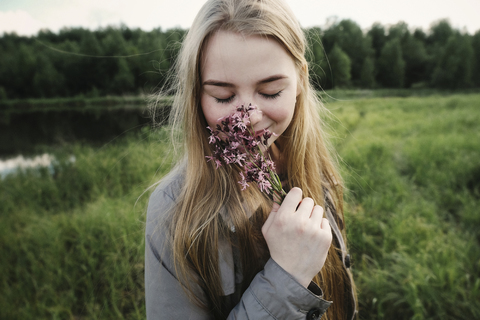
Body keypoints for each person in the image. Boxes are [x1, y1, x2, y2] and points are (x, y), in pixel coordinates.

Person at [145, 0, 357, 319]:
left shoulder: (313, 170)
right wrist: (285, 278)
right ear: (196, 95)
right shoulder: (174, 209)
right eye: (223, 96)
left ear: (300, 80)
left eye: (270, 91)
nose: (249, 118)